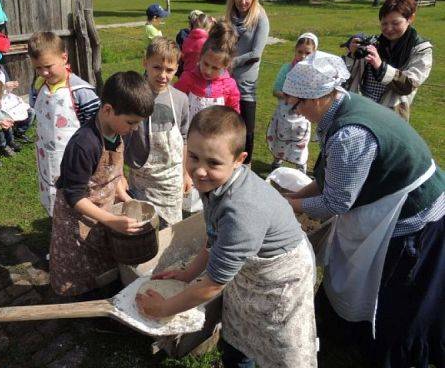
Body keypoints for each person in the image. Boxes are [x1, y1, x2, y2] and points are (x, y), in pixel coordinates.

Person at [283, 51, 444, 368]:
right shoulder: (342, 107)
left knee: (396, 292)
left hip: (415, 214)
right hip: (393, 195)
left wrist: (290, 205)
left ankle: (388, 350)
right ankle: (344, 328)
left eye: (298, 102)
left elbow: (335, 203)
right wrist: (297, 194)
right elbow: (330, 176)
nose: (295, 110)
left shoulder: (350, 135)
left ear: (319, 96)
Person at [136, 106, 317, 368]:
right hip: (251, 267)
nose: (199, 171)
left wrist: (164, 309)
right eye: (194, 157)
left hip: (281, 277)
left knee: (280, 344)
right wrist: (188, 273)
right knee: (238, 332)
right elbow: (214, 238)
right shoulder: (216, 184)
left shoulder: (240, 212)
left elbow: (211, 286)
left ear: (239, 159)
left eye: (213, 163)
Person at [50, 71, 154, 297]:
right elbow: (74, 196)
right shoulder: (84, 145)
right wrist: (112, 220)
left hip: (100, 213)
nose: (134, 129)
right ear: (108, 110)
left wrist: (126, 199)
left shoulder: (116, 131)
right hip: (77, 220)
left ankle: (101, 290)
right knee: (77, 270)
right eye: (131, 122)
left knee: (100, 262)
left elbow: (112, 174)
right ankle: (81, 304)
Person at [28, 31, 101, 217]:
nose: (43, 73)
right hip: (46, 158)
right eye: (38, 68)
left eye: (48, 66)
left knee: (76, 205)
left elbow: (97, 132)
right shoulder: (39, 87)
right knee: (54, 203)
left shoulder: (81, 92)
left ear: (64, 57)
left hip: (75, 162)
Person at [124, 38, 191, 227]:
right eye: (157, 68)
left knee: (169, 228)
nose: (163, 75)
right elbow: (121, 137)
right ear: (145, 62)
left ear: (177, 68)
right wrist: (120, 175)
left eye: (169, 70)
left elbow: (184, 138)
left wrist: (185, 173)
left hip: (171, 180)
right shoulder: (134, 97)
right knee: (143, 226)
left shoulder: (180, 100)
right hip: (142, 180)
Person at [344, 0, 432, 121]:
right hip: (362, 109)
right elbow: (347, 77)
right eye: (384, 24)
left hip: (392, 115)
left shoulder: (421, 49)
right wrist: (353, 54)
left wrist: (381, 67)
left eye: (395, 23)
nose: (389, 29)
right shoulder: (374, 43)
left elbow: (408, 85)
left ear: (410, 18)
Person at [226, 0, 269, 165]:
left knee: (247, 126)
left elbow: (255, 53)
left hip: (246, 82)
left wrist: (232, 62)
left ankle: (246, 165)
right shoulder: (229, 16)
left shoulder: (260, 17)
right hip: (226, 79)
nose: (243, 2)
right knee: (227, 123)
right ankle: (227, 159)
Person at [266, 33, 316, 173]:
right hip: (284, 113)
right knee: (281, 138)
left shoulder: (314, 73)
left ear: (314, 53)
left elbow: (316, 95)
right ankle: (277, 161)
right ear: (295, 50)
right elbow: (275, 90)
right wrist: (288, 96)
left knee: (301, 142)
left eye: (308, 53)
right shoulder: (286, 68)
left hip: (303, 115)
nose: (303, 56)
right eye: (300, 52)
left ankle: (301, 168)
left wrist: (304, 98)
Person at [174, 20, 241, 122]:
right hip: (190, 134)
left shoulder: (230, 86)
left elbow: (233, 112)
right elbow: (175, 101)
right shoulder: (188, 78)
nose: (208, 71)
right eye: (205, 64)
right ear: (200, 57)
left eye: (215, 68)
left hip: (217, 135)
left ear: (225, 66)